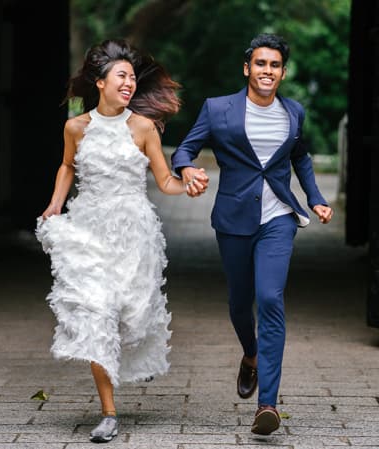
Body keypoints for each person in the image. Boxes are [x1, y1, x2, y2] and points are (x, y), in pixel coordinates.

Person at [36, 39, 208, 444]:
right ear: (100, 82)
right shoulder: (76, 127)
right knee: (96, 314)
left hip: (134, 233)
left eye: (132, 77)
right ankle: (109, 413)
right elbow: (66, 166)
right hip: (89, 229)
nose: (129, 83)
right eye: (121, 76)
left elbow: (165, 182)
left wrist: (190, 184)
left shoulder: (143, 128)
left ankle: (134, 354)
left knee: (132, 316)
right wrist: (54, 206)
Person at [171, 33, 333, 435]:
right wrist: (188, 170)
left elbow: (300, 157)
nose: (267, 71)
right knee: (240, 303)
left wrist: (314, 197)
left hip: (278, 217)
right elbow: (183, 152)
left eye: (275, 65)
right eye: (260, 64)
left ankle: (268, 405)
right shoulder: (217, 109)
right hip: (234, 218)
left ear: (282, 71)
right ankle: (250, 355)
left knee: (270, 298)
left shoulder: (293, 112)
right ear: (247, 68)